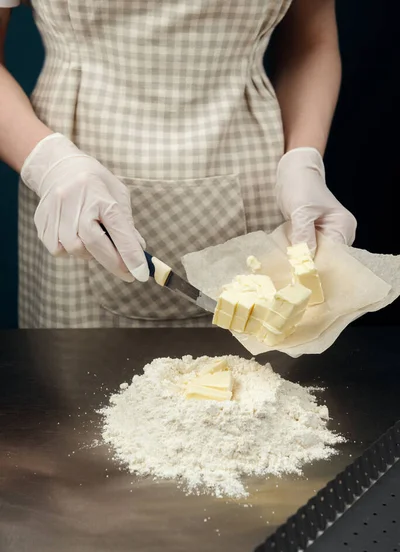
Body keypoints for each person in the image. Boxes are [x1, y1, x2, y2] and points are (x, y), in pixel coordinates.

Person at [0, 0, 356, 329]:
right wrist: (49, 163)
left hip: (255, 179)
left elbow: (311, 44)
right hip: (74, 185)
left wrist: (303, 159)